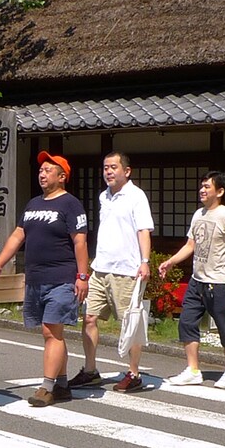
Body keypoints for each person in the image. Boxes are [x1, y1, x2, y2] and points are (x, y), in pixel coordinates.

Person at [0, 151, 90, 408]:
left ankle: (47, 386)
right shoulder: (33, 204)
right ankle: (63, 383)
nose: (42, 174)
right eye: (41, 170)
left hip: (61, 277)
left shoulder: (70, 204)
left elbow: (80, 242)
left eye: (48, 170)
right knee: (52, 332)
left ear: (62, 176)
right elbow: (17, 236)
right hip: (35, 278)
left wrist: (82, 276)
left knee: (50, 330)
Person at [157, 171, 225, 389]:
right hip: (197, 280)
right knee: (186, 322)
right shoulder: (198, 214)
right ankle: (193, 370)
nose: (202, 190)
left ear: (220, 191)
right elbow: (190, 246)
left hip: (220, 281)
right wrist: (170, 262)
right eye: (202, 186)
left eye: (207, 187)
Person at [71, 151, 155, 393]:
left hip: (126, 269)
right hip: (101, 267)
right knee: (89, 318)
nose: (108, 171)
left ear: (126, 171)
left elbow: (143, 230)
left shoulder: (136, 196)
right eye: (105, 167)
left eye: (113, 167)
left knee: (130, 323)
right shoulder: (103, 196)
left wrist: (145, 261)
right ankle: (90, 370)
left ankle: (134, 373)